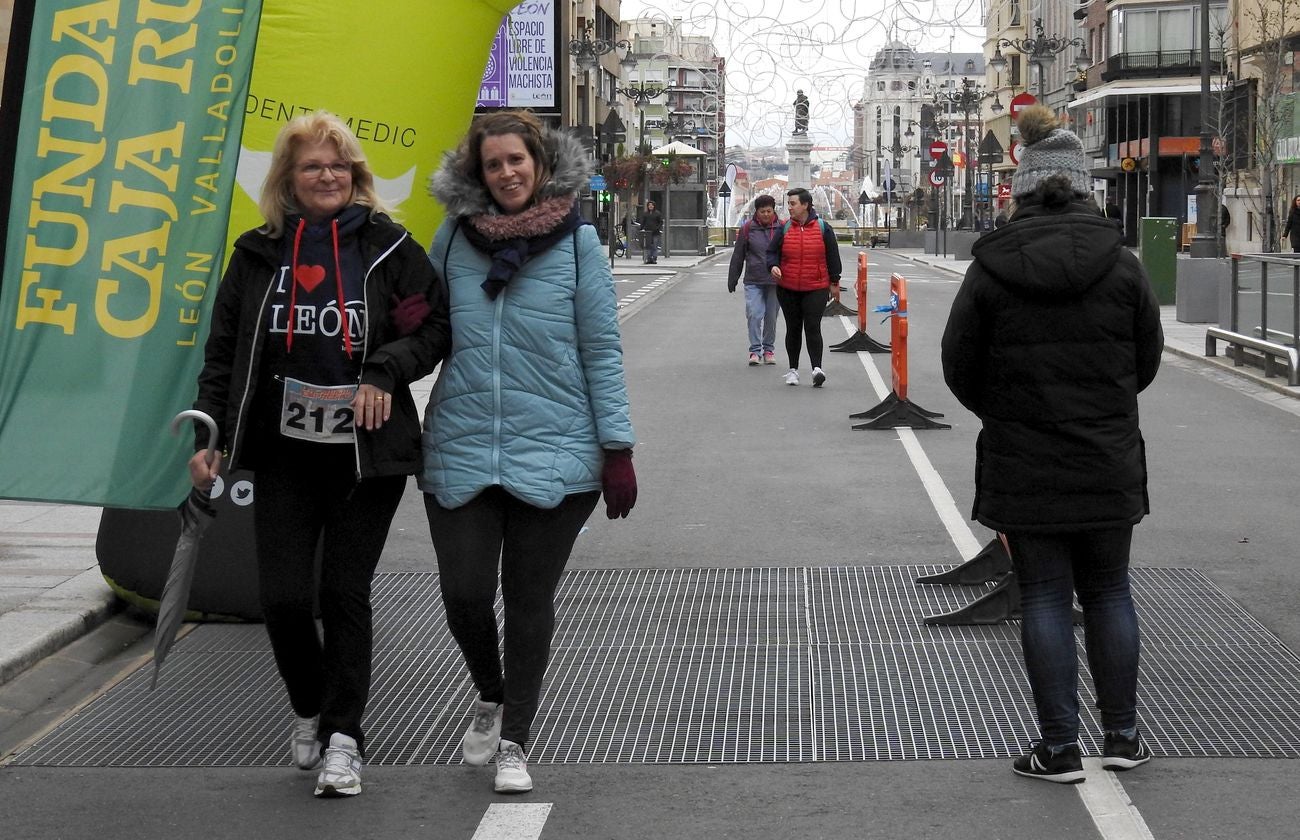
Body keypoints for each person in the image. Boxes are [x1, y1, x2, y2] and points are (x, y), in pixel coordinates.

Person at [188, 111, 450, 798]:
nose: (328, 175)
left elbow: (432, 327)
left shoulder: (389, 249)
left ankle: (344, 739)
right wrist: (207, 438)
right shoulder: (255, 255)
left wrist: (383, 370)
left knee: (342, 592)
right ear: (289, 179)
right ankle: (308, 705)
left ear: (357, 175)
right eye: (312, 166)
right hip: (282, 454)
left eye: (339, 165)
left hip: (365, 458)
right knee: (281, 598)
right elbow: (222, 356)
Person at [941, 105, 1162, 784]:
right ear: (1086, 187)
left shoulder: (992, 267)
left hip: (1023, 455)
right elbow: (1145, 360)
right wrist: (1104, 408)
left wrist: (1008, 412)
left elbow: (959, 364)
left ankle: (1059, 747)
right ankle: (1122, 736)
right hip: (1106, 455)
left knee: (1042, 596)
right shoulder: (1122, 267)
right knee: (1109, 592)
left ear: (1023, 189)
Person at [423, 110, 637, 795]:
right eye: (493, 165)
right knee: (463, 595)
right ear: (477, 175)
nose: (507, 173)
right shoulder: (454, 238)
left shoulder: (577, 244)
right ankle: (491, 690)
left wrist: (617, 448)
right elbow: (425, 323)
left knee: (527, 600)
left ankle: (515, 740)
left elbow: (602, 349)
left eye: (517, 160)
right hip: (462, 443)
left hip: (557, 448)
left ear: (538, 164)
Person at [766, 187, 842, 387]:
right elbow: (771, 252)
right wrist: (773, 266)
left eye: (793, 203)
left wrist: (834, 282)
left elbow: (833, 256)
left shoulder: (823, 228)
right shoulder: (784, 228)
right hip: (788, 287)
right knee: (793, 328)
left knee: (812, 326)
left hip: (816, 287)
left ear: (805, 205)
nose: (789, 207)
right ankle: (793, 370)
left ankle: (817, 369)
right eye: (788, 204)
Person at [727, 194, 782, 366]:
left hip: (775, 281)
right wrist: (733, 278)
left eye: (769, 211)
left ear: (774, 211)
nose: (766, 214)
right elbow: (738, 255)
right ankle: (754, 350)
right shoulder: (747, 229)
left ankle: (768, 349)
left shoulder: (782, 227)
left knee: (771, 317)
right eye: (762, 211)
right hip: (754, 279)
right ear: (756, 212)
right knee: (754, 314)